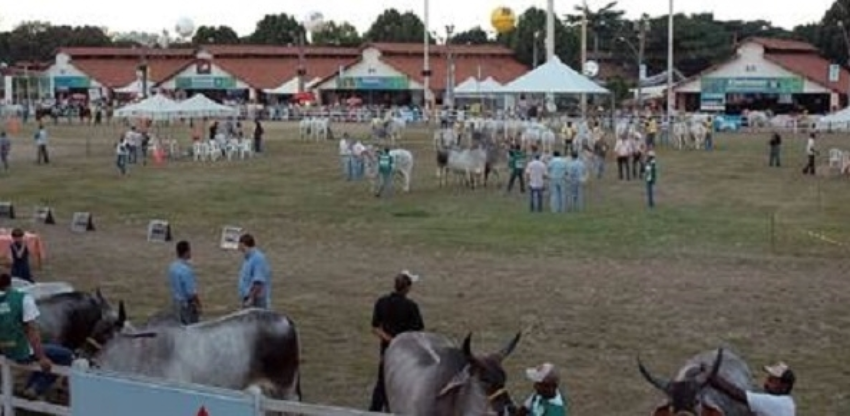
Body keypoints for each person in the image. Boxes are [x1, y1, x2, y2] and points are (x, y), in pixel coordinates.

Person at [0, 272, 73, 400]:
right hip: (21, 352)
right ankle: (36, 387)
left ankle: (30, 388)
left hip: (4, 350)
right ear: (10, 282)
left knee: (52, 348)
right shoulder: (23, 299)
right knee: (66, 355)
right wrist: (42, 357)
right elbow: (32, 331)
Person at [368, 271, 425, 412]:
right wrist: (400, 341)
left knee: (382, 383)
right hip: (406, 354)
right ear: (407, 288)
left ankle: (373, 411)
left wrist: (389, 340)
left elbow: (375, 327)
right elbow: (417, 332)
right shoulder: (411, 307)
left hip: (386, 351)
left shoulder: (382, 302)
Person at [707, 361, 795, 416]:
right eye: (768, 379)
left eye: (772, 380)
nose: (766, 383)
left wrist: (715, 380)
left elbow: (738, 394)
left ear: (784, 386)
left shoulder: (775, 402)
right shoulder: (788, 403)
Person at [168, 241, 201, 324]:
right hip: (187, 305)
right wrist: (198, 304)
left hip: (176, 302)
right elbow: (191, 292)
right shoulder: (186, 270)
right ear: (186, 252)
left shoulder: (172, 267)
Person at [238, 234, 271, 309]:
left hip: (257, 300)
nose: (240, 249)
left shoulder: (258, 259)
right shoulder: (248, 259)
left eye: (241, 247)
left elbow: (258, 282)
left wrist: (251, 298)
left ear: (245, 245)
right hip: (249, 298)